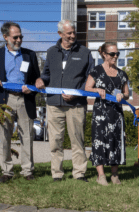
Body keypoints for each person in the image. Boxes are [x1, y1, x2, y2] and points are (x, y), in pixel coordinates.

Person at [35, 19, 94, 182]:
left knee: (77, 140)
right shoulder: (51, 51)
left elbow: (91, 78)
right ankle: (57, 174)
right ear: (60, 34)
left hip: (76, 104)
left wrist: (77, 93)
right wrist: (41, 80)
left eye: (74, 32)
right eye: (69, 33)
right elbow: (46, 74)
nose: (73, 35)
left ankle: (79, 173)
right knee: (55, 141)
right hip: (54, 104)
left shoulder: (85, 52)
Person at [0, 21, 40, 182]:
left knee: (27, 135)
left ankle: (27, 170)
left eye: (21, 37)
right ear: (5, 37)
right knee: (4, 136)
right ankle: (6, 171)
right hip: (5, 99)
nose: (19, 40)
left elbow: (37, 78)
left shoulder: (30, 55)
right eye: (15, 37)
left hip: (25, 100)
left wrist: (36, 85)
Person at [85, 42, 130, 186]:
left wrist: (122, 96)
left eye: (117, 54)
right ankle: (101, 176)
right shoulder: (96, 71)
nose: (115, 56)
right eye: (112, 54)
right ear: (104, 54)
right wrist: (96, 89)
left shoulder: (122, 74)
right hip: (100, 114)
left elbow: (127, 93)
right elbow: (87, 88)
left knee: (115, 142)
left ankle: (115, 175)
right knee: (100, 142)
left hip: (116, 114)